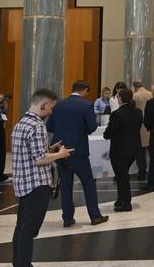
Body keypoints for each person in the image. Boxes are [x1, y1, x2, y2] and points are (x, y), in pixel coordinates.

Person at [10, 88, 73, 267]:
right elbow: (39, 160)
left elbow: (29, 153)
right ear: (44, 105)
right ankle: (23, 264)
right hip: (36, 184)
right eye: (51, 108)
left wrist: (50, 148)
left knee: (22, 226)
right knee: (29, 229)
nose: (51, 112)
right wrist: (61, 154)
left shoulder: (21, 123)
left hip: (23, 182)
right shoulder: (37, 126)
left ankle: (18, 261)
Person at [46, 81, 109, 227]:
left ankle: (67, 218)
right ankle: (95, 216)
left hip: (60, 149)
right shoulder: (86, 105)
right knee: (88, 182)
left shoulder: (59, 104)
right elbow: (92, 127)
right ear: (85, 90)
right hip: (78, 149)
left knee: (65, 185)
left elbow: (49, 126)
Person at [104, 87, 143, 212]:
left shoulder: (117, 114)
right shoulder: (138, 112)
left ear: (120, 98)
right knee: (123, 175)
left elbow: (109, 133)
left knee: (122, 177)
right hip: (134, 149)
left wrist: (107, 134)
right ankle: (121, 198)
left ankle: (126, 202)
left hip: (119, 150)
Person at [131, 81, 153, 182]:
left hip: (139, 125)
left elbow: (133, 110)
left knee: (140, 152)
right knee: (152, 151)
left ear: (134, 87)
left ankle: (142, 172)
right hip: (150, 125)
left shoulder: (135, 95)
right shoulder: (150, 94)